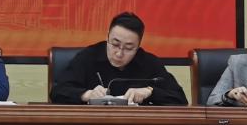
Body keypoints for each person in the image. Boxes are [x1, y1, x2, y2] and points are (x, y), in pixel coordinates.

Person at [50, 12, 188, 105]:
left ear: (138, 46)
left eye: (128, 48)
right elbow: (57, 92)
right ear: (107, 37)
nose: (119, 53)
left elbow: (180, 100)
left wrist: (150, 92)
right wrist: (87, 94)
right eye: (115, 44)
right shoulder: (88, 57)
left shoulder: (149, 63)